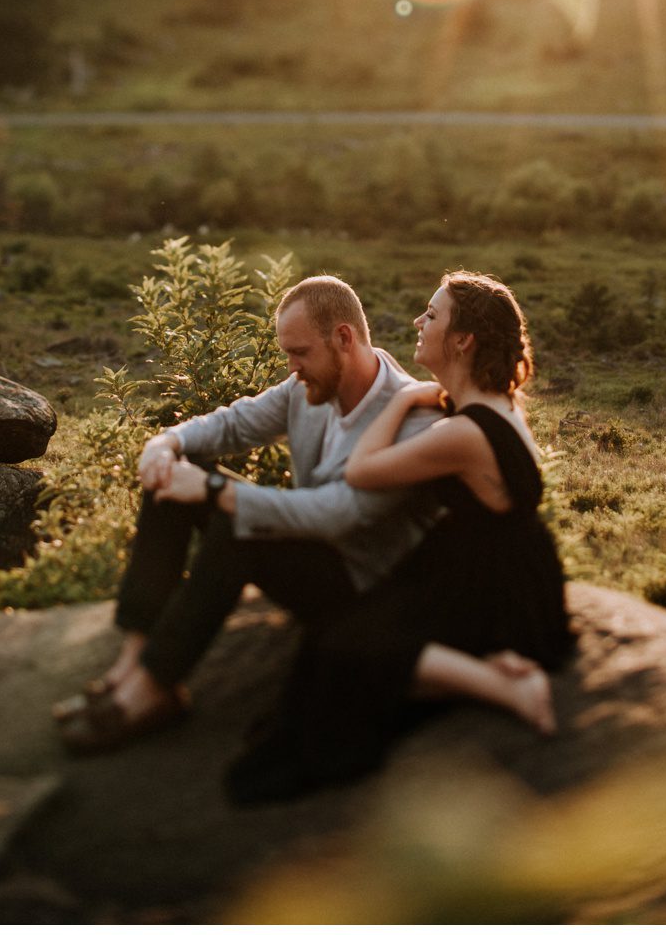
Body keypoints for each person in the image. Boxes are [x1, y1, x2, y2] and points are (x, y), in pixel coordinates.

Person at [211, 270, 573, 805]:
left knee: (348, 649)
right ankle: (488, 667)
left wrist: (401, 402)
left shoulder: (464, 432)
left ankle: (507, 685)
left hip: (493, 585)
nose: (417, 322)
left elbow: (361, 471)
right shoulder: (494, 405)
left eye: (431, 315)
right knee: (339, 639)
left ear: (462, 340)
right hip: (498, 563)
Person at [55, 275, 445, 753]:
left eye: (299, 352)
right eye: (288, 354)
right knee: (176, 478)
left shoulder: (417, 419)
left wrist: (218, 490)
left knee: (241, 526)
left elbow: (339, 513)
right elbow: (237, 422)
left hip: (360, 588)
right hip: (312, 556)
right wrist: (166, 443)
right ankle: (131, 663)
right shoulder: (311, 385)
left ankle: (156, 687)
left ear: (343, 338)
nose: (292, 367)